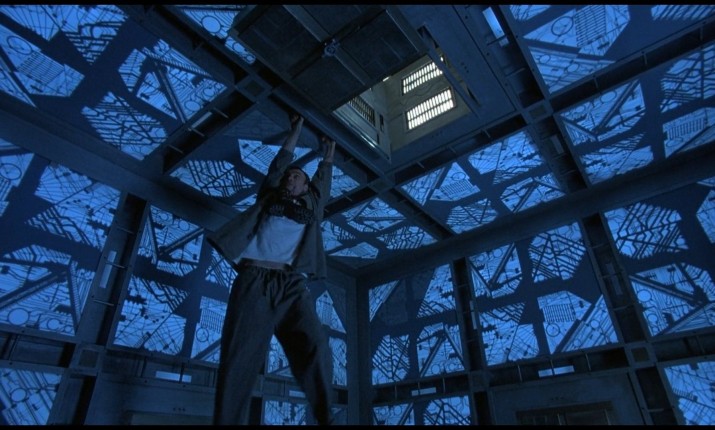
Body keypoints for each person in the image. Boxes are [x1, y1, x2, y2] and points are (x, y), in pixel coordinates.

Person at [207, 114, 336, 425]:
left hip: (291, 284)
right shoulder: (269, 195)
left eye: (296, 176)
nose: (290, 178)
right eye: (288, 176)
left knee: (315, 345)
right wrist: (296, 130)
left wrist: (329, 153)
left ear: (306, 185)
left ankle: (326, 419)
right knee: (240, 357)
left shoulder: (313, 206)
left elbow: (324, 179)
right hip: (254, 281)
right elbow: (280, 163)